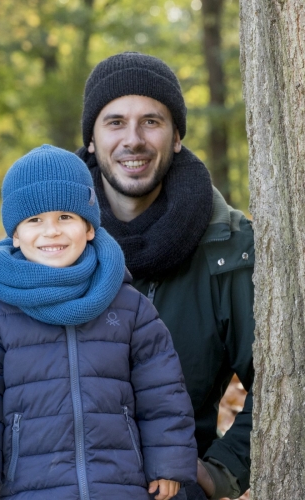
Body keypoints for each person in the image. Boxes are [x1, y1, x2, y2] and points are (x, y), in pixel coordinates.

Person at [0, 144, 198, 500]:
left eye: (66, 217)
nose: (52, 232)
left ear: (89, 228)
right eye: (35, 220)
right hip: (30, 486)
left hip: (119, 484)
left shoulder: (127, 305)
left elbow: (162, 390)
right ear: (15, 235)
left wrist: (168, 463)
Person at [75, 52, 254, 500]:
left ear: (176, 137)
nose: (132, 140)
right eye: (114, 122)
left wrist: (220, 471)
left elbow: (285, 379)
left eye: (151, 121)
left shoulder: (225, 245)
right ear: (92, 141)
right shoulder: (49, 238)